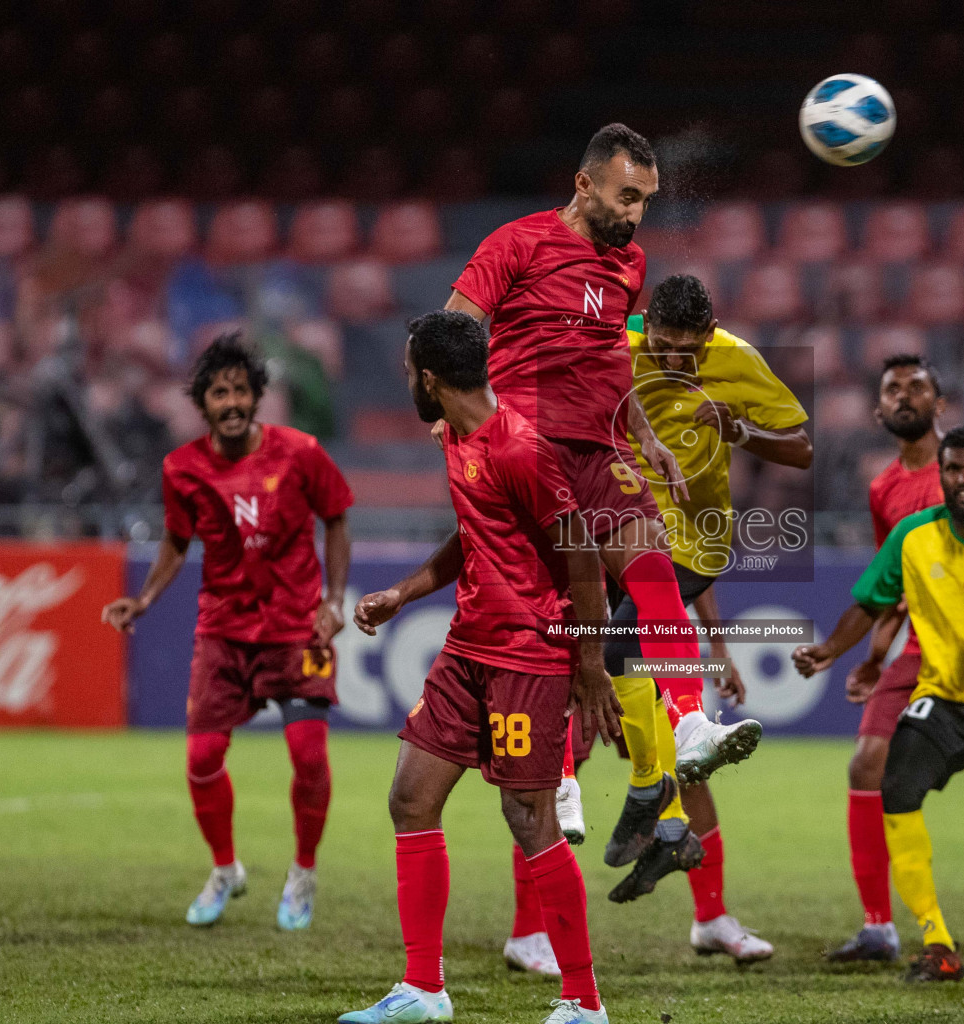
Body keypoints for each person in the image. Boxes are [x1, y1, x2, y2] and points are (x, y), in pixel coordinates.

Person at [443, 123, 760, 800]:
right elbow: (456, 327)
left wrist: (645, 436)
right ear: (584, 184)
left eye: (645, 199)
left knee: (654, 576)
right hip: (527, 452)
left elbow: (611, 360)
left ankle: (690, 722)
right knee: (558, 613)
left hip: (602, 450)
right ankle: (554, 769)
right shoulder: (516, 243)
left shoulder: (629, 266)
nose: (635, 214)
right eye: (625, 196)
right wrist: (462, 418)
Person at [339, 311, 623, 1024]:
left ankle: (584, 1003)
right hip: (468, 648)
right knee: (410, 798)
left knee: (529, 819)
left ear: (430, 379)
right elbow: (478, 531)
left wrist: (589, 662)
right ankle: (423, 990)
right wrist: (405, 592)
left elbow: (583, 557)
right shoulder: (457, 437)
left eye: (410, 372)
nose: (408, 382)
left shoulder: (522, 449)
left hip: (528, 653)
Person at [101, 333, 351, 931]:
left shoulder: (301, 452)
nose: (232, 402)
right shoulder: (181, 469)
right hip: (224, 629)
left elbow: (337, 518)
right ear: (203, 403)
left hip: (295, 629)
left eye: (241, 390)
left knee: (308, 757)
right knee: (203, 757)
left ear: (256, 396)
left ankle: (303, 872)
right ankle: (225, 869)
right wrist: (144, 599)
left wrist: (335, 600)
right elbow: (175, 543)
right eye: (219, 393)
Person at [593, 275, 809, 950]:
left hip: (683, 545)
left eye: (690, 351)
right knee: (640, 742)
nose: (677, 362)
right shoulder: (613, 340)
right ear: (647, 326)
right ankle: (538, 926)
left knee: (654, 713)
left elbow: (801, 447)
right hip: (598, 543)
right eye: (664, 347)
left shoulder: (738, 358)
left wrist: (740, 428)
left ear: (710, 333)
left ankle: (703, 903)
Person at [819, 355, 964, 964]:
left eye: (917, 386)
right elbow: (894, 584)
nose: (904, 396)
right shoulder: (884, 489)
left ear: (940, 403)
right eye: (891, 389)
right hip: (920, 646)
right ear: (879, 411)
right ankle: (880, 927)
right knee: (866, 767)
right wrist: (876, 653)